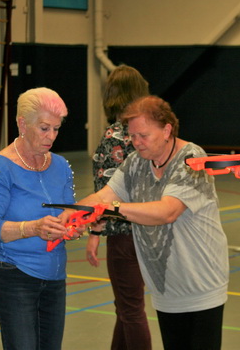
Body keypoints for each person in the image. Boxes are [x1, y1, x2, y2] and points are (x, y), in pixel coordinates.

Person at [70, 95, 229, 350]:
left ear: (167, 130)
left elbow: (167, 211)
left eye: (143, 135)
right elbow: (103, 195)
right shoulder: (135, 162)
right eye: (132, 136)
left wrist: (111, 209)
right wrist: (73, 213)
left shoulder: (191, 158)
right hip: (166, 288)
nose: (137, 143)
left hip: (201, 286)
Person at [0, 87, 84, 349]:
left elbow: (67, 213)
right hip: (13, 274)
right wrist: (32, 228)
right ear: (22, 124)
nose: (51, 137)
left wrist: (73, 227)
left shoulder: (61, 165)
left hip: (55, 274)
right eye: (44, 128)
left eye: (56, 129)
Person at [88, 65, 152, 349]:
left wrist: (94, 231)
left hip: (124, 234)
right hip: (152, 230)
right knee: (127, 308)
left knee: (131, 310)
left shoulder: (114, 137)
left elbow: (104, 194)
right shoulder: (151, 135)